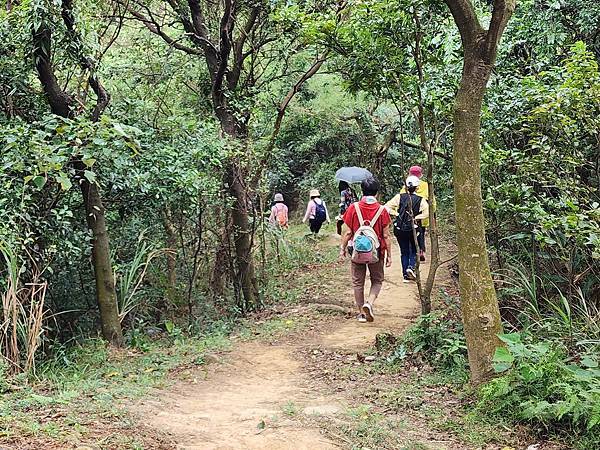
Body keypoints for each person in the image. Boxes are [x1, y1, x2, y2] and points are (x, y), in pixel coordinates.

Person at [340, 177, 392, 323]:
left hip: (356, 252)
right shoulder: (382, 211)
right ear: (376, 192)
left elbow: (348, 233)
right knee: (377, 280)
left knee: (358, 282)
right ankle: (369, 303)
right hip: (377, 252)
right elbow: (386, 235)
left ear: (362, 190)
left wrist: (342, 249)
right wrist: (389, 256)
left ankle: (361, 314)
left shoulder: (353, 208)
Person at [389, 165, 435, 261]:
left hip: (407, 216)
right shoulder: (426, 185)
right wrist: (432, 213)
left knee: (409, 234)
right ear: (421, 175)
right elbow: (432, 202)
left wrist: (398, 213)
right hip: (422, 215)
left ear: (409, 173)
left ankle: (412, 254)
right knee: (420, 232)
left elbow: (401, 199)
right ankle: (421, 251)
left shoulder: (406, 185)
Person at [388, 175, 429, 282]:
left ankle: (405, 276)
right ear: (417, 187)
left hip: (399, 228)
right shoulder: (421, 200)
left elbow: (386, 207)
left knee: (404, 251)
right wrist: (417, 217)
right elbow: (427, 213)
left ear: (406, 186)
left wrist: (396, 214)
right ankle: (410, 267)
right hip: (413, 228)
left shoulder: (399, 197)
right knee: (415, 250)